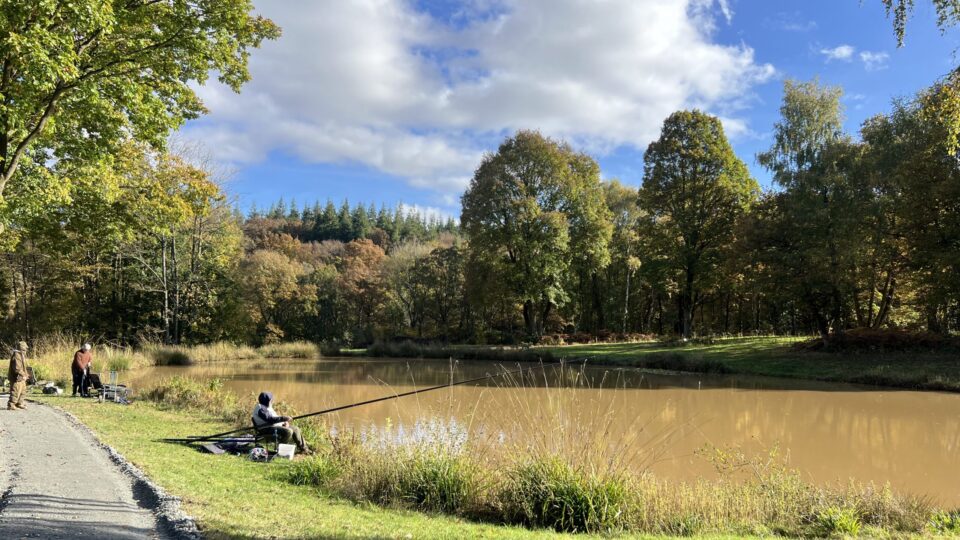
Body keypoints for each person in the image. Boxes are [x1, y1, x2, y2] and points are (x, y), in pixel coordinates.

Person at [8, 341, 29, 411]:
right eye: (25, 348)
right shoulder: (17, 355)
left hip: (21, 378)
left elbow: (23, 367)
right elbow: (17, 368)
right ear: (22, 348)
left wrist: (26, 375)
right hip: (16, 378)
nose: (26, 350)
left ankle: (19, 403)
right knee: (15, 391)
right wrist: (23, 375)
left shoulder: (21, 355)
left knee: (23, 391)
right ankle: (11, 405)